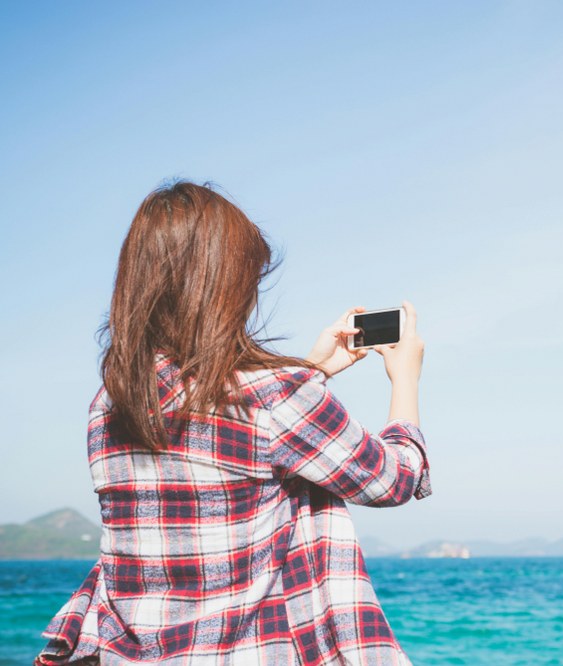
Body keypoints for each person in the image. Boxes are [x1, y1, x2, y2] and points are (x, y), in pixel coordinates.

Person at [35, 181, 431, 666]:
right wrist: (404, 379)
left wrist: (312, 371)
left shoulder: (109, 403)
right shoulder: (274, 396)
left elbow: (223, 443)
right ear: (224, 285)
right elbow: (392, 479)